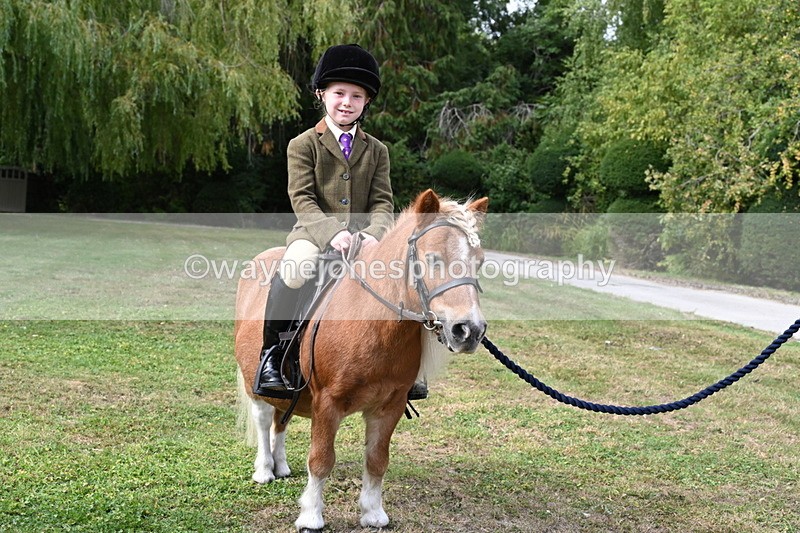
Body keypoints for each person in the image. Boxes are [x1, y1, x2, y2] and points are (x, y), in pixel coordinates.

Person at [254, 44, 428, 401]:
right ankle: (271, 355)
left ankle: (410, 370)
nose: (347, 102)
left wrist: (372, 234)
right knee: (297, 268)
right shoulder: (302, 144)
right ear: (322, 94)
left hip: (366, 239)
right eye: (339, 94)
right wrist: (332, 233)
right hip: (313, 234)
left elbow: (383, 201)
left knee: (405, 276)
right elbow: (302, 198)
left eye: (356, 96)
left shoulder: (377, 150)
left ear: (366, 102)